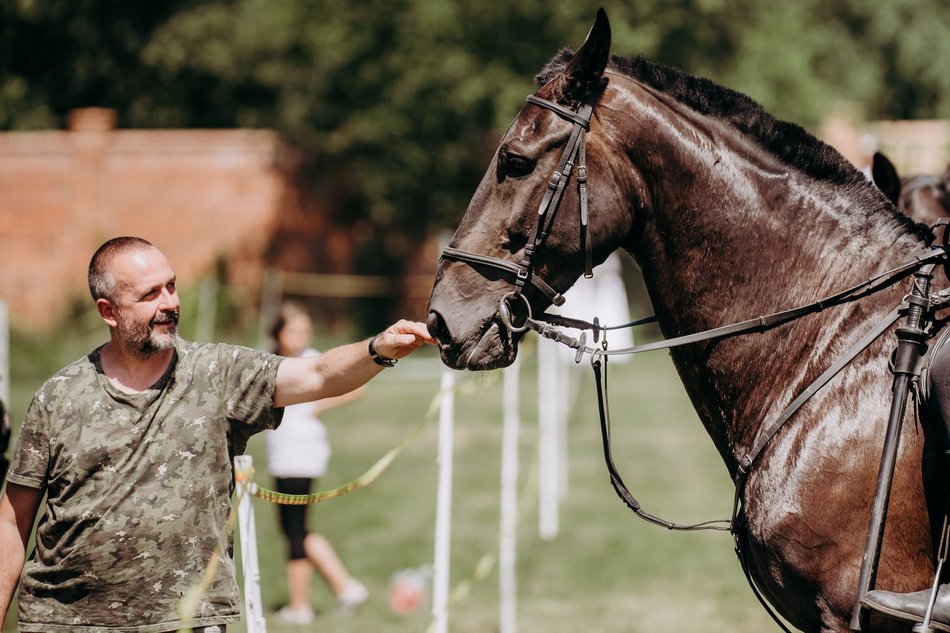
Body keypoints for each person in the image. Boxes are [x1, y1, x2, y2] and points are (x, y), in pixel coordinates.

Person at [0, 236, 434, 633]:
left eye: (171, 286)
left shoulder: (219, 373)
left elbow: (318, 374)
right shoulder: (58, 396)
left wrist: (377, 348)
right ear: (108, 311)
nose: (168, 302)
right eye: (149, 294)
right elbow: (11, 523)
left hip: (188, 619)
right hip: (65, 621)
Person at [264, 301, 368, 624]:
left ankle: (300, 606)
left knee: (295, 532)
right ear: (278, 333)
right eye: (292, 330)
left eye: (304, 330)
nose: (299, 336)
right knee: (297, 530)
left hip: (300, 455)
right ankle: (346, 588)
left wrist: (322, 406)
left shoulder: (312, 359)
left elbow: (356, 385)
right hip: (284, 456)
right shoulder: (272, 360)